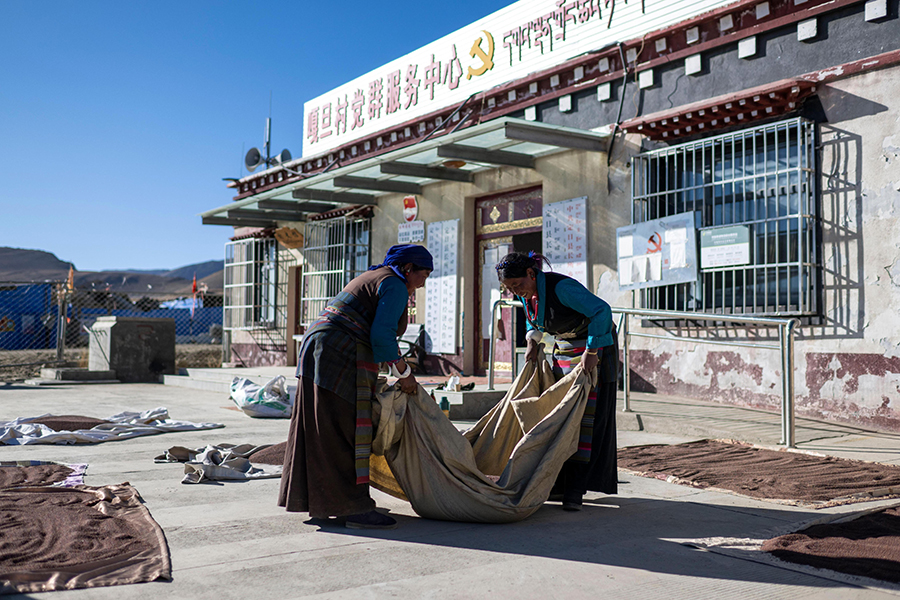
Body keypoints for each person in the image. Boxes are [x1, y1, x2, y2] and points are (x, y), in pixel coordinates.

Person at [278, 244, 433, 529]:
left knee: (321, 427)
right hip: (338, 353)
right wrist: (404, 373)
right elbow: (383, 336)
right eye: (423, 275)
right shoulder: (394, 284)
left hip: (320, 348)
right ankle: (353, 507)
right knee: (345, 429)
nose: (423, 283)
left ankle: (325, 505)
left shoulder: (377, 277)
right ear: (408, 268)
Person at [495, 251, 619, 511]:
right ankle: (558, 484)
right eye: (509, 289)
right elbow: (536, 323)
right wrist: (532, 341)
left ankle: (575, 490)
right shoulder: (528, 294)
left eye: (518, 285)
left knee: (584, 421)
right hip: (563, 354)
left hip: (592, 352)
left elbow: (601, 312)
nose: (516, 292)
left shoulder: (562, 288)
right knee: (561, 418)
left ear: (532, 274)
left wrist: (592, 351)